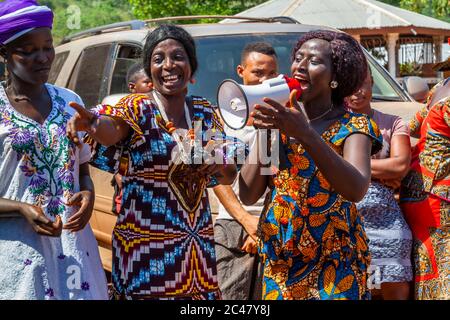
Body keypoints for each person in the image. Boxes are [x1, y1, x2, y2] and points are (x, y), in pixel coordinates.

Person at [66, 24, 239, 300]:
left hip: (195, 255)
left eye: (178, 57)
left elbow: (228, 175)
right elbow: (113, 129)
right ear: (149, 69)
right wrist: (95, 123)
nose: (169, 65)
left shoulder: (204, 111)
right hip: (145, 256)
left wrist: (217, 162)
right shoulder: (138, 107)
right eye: (158, 59)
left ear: (191, 67)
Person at [239, 30, 383, 300]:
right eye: (298, 58)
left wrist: (304, 133)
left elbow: (355, 188)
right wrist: (265, 132)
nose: (300, 66)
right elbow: (249, 193)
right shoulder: (281, 124)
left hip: (334, 262)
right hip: (282, 259)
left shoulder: (354, 127)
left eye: (314, 61)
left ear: (335, 78)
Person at [0, 0, 108, 300]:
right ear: (4, 53)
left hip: (73, 252)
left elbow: (82, 168)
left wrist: (87, 194)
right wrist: (20, 209)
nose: (42, 57)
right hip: (15, 255)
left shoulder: (68, 101)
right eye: (28, 50)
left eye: (47, 47)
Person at [213, 42, 278, 300]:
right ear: (241, 71)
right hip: (231, 224)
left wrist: (263, 224)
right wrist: (247, 221)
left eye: (272, 74)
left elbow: (279, 177)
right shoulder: (217, 117)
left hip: (273, 224)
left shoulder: (284, 118)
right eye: (258, 73)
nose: (265, 80)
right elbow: (215, 178)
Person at [346, 68, 413, 300]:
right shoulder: (330, 124)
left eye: (363, 84)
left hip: (387, 226)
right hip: (342, 224)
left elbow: (400, 166)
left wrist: (347, 166)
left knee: (392, 290)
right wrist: (380, 171)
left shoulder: (392, 122)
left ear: (372, 83)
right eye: (350, 85)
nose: (357, 92)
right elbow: (321, 167)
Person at [400, 77, 450, 300]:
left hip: (420, 192)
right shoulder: (443, 92)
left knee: (431, 271)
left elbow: (412, 127)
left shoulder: (440, 88)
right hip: (436, 198)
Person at [111, 62, 152, 215]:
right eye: (147, 82)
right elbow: (123, 149)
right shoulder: (127, 113)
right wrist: (120, 173)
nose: (152, 86)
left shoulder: (158, 111)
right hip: (131, 184)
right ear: (132, 87)